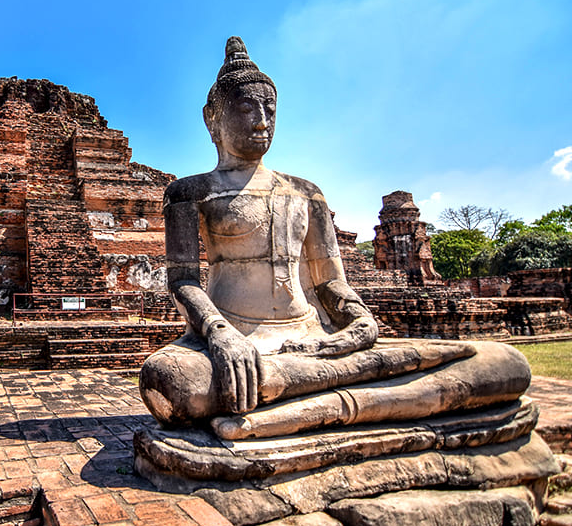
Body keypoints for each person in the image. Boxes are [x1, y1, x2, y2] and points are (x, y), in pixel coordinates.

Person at [139, 37, 529, 439]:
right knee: (172, 383)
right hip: (233, 340)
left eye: (270, 109)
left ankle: (271, 410)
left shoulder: (306, 192)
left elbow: (330, 281)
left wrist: (359, 321)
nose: (261, 120)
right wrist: (221, 336)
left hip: (317, 340)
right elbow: (183, 281)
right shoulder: (190, 193)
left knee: (504, 366)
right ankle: (347, 403)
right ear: (212, 119)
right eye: (245, 108)